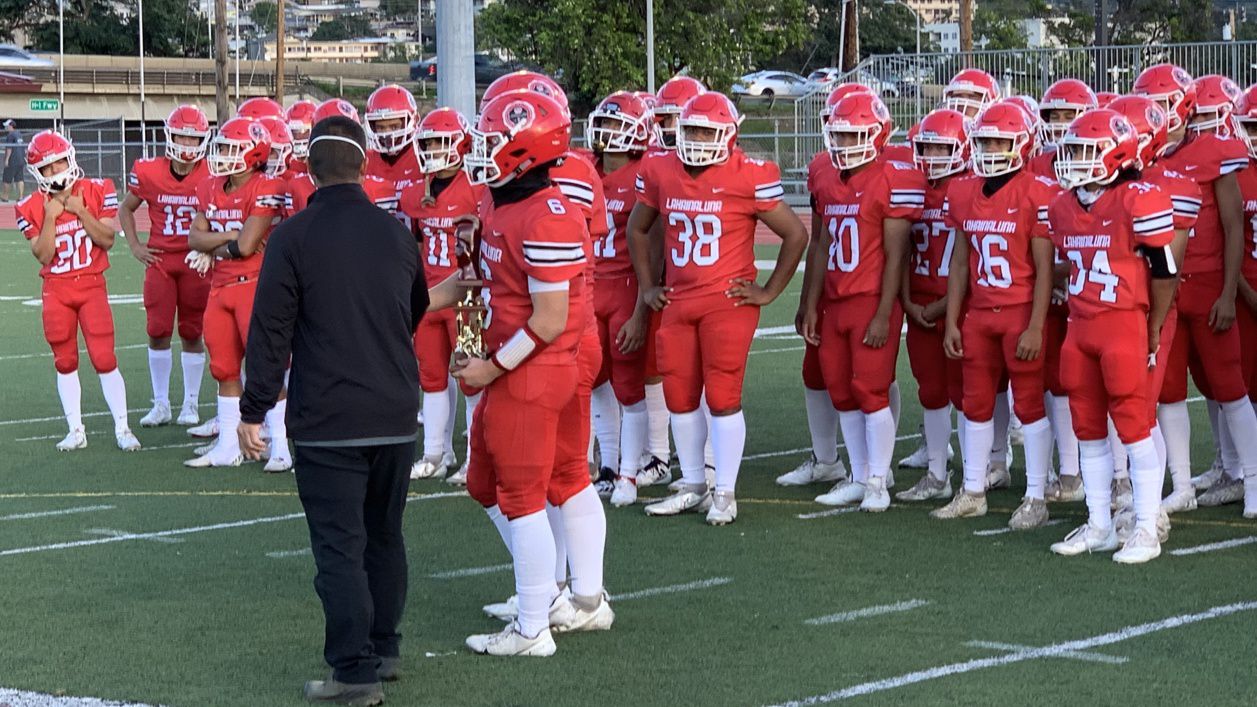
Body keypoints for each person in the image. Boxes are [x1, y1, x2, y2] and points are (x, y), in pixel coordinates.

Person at [238, 116, 427, 705]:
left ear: (309, 170)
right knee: (384, 537)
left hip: (328, 419)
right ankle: (383, 648)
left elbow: (270, 331)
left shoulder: (293, 237)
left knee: (340, 548)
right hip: (396, 412)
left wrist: (253, 409)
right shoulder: (395, 232)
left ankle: (354, 671)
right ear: (365, 165)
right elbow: (415, 307)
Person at [444, 89, 612, 656]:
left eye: (493, 142)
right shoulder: (503, 203)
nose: (482, 152)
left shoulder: (547, 213)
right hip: (534, 362)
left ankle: (533, 625)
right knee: (493, 482)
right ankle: (565, 598)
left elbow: (549, 317)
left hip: (536, 367)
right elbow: (493, 287)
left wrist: (491, 368)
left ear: (525, 146)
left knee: (522, 493)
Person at [628, 91, 808, 524]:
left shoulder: (748, 175)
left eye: (706, 130)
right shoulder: (662, 170)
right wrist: (649, 287)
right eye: (690, 129)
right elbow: (638, 228)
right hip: (679, 298)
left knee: (723, 397)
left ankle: (724, 491)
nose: (696, 138)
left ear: (728, 134)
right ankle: (693, 483)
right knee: (679, 396)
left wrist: (767, 292)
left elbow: (796, 234)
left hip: (727, 302)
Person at [1047, 109, 1177, 563]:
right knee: (1087, 427)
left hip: (1123, 322)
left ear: (1117, 154)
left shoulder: (1138, 199)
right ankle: (1100, 522)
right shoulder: (1063, 206)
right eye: (1072, 151)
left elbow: (1165, 271)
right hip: (1080, 325)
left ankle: (1145, 526)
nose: (1074, 161)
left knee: (1134, 426)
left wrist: (1153, 325)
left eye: (1085, 152)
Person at [1136, 64, 1257, 515]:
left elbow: (1232, 227)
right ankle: (1182, 483)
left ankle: (1253, 480)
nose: (1157, 113)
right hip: (1165, 290)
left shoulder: (1213, 152)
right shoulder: (1141, 156)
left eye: (1165, 104)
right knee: (1167, 389)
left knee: (1229, 386)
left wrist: (1228, 292)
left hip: (1206, 284)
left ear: (1185, 107)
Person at [933, 101, 1057, 528]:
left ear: (1020, 143)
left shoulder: (1036, 191)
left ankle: (1037, 496)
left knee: (1028, 404)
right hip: (980, 313)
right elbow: (961, 263)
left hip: (1019, 310)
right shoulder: (964, 191)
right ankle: (972, 490)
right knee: (975, 405)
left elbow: (1044, 270)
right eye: (984, 140)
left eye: (999, 140)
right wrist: (952, 317)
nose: (990, 148)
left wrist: (1037, 326)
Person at [801, 92, 924, 511]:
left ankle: (876, 481)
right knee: (841, 390)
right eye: (838, 135)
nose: (843, 144)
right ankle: (858, 473)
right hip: (835, 300)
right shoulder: (824, 174)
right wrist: (812, 303)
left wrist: (884, 312)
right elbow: (820, 245)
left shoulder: (892, 175)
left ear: (877, 135)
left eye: (853, 135)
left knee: (870, 390)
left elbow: (897, 255)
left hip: (871, 298)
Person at [15, 130, 140, 451]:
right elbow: (43, 254)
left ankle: (123, 429)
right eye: (47, 168)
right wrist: (50, 218)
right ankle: (76, 430)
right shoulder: (30, 205)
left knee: (104, 357)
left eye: (59, 163)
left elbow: (107, 240)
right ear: (37, 172)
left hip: (91, 285)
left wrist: (81, 210)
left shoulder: (97, 190)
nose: (56, 171)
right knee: (64, 360)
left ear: (70, 159)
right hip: (56, 290)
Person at [184, 118, 287, 469]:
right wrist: (225, 240)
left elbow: (246, 244)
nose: (223, 155)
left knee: (265, 369)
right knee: (224, 369)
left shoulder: (266, 186)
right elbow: (194, 238)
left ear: (255, 153)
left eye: (231, 148)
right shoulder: (210, 186)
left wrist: (218, 243)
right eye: (222, 146)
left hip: (255, 287)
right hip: (220, 287)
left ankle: (282, 447)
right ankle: (229, 447)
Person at [397, 107, 481, 483]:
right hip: (429, 295)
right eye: (427, 142)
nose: (432, 149)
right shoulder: (416, 193)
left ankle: (476, 457)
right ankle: (435, 452)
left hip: (467, 298)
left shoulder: (477, 189)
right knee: (431, 376)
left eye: (440, 142)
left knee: (471, 376)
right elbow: (415, 242)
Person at [120, 105, 213, 430]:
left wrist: (213, 249)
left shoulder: (212, 172)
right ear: (169, 137)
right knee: (157, 330)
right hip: (160, 260)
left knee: (192, 330)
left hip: (195, 260)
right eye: (181, 138)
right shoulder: (148, 171)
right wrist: (135, 245)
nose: (187, 146)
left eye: (193, 139)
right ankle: (160, 403)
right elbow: (126, 208)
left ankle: (190, 402)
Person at [896, 107, 970, 502]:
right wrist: (908, 301)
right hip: (920, 303)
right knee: (931, 391)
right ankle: (937, 473)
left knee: (968, 393)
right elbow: (900, 251)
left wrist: (944, 306)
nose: (932, 156)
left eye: (942, 148)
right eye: (927, 147)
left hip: (959, 305)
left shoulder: (970, 188)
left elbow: (970, 263)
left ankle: (986, 468)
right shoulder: (912, 188)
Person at [586, 91, 655, 506]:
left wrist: (640, 310)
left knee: (629, 386)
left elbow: (655, 246)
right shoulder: (580, 170)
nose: (609, 132)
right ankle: (608, 467)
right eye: (606, 123)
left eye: (618, 124)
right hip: (591, 287)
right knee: (594, 381)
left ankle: (630, 472)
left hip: (626, 288)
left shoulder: (645, 174)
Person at [3, 119, 24, 203]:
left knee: (6, 179)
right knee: (19, 179)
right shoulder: (19, 134)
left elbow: (9, 148)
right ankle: (21, 197)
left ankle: (5, 197)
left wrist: (7, 160)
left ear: (10, 126)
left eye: (6, 126)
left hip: (13, 160)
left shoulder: (10, 135)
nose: (5, 128)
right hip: (20, 160)